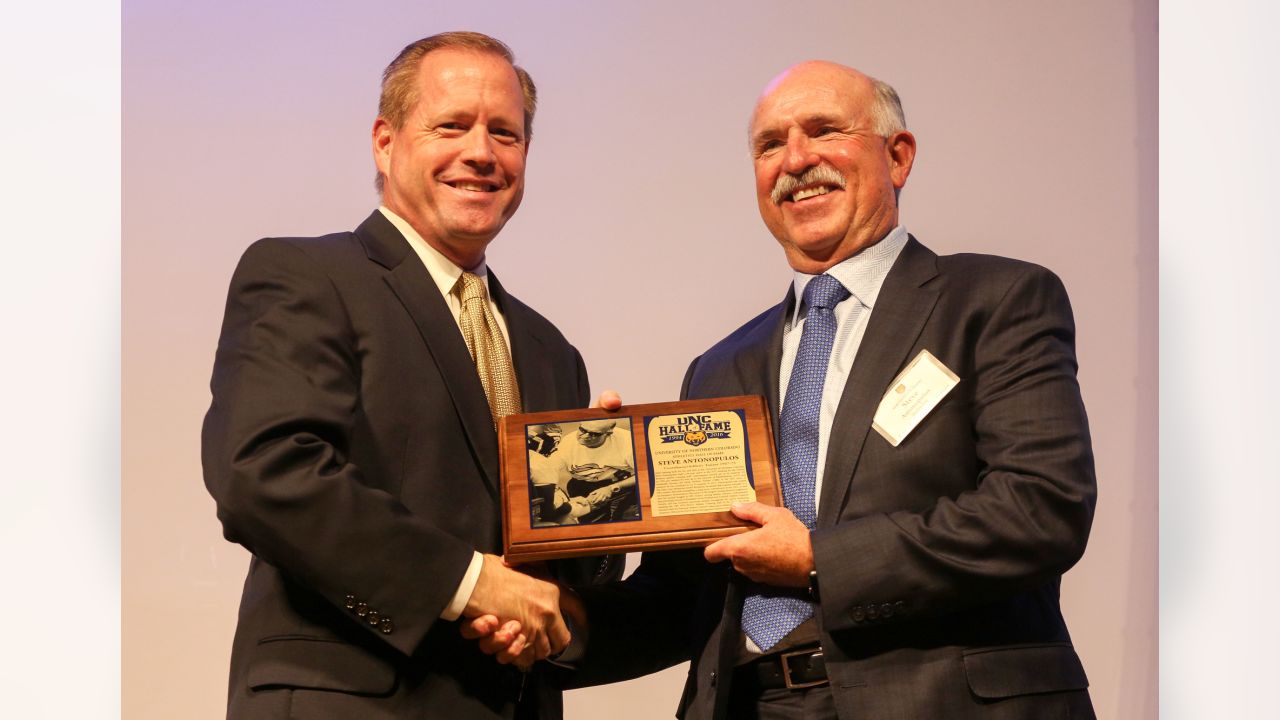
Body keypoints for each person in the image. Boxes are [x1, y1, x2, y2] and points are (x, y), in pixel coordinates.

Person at [487, 60, 1098, 719]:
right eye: (770, 144)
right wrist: (555, 612)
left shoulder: (993, 302)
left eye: (824, 130)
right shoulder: (720, 367)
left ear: (898, 156)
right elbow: (686, 599)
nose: (795, 159)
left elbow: (1040, 510)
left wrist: (818, 559)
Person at [201, 31, 620, 719]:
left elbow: (550, 585)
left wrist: (600, 513)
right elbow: (265, 473)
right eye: (451, 125)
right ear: (385, 141)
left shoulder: (551, 352)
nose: (481, 153)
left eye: (505, 133)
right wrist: (467, 583)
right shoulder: (304, 276)